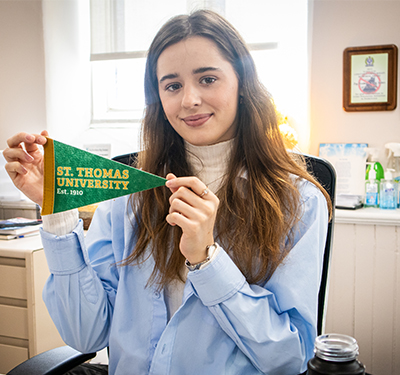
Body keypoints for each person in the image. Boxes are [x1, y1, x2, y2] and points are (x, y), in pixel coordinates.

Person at [4, 9, 331, 375]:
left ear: (243, 84)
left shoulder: (299, 201)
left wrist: (206, 260)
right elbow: (86, 334)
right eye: (172, 85)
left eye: (208, 79)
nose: (189, 100)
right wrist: (57, 207)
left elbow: (288, 357)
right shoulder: (129, 196)